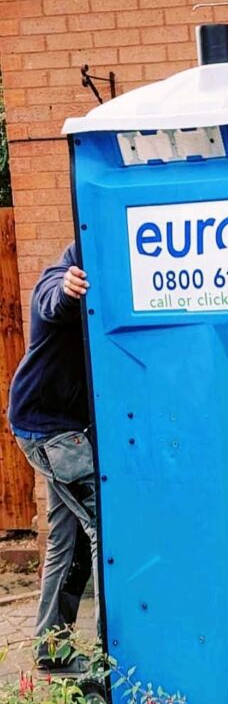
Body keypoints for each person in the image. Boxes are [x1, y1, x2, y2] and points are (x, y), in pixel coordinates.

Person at [8, 243, 97, 673]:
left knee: (68, 538)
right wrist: (66, 288)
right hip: (50, 429)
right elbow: (50, 301)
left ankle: (50, 647)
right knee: (105, 529)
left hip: (55, 426)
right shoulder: (58, 275)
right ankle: (113, 651)